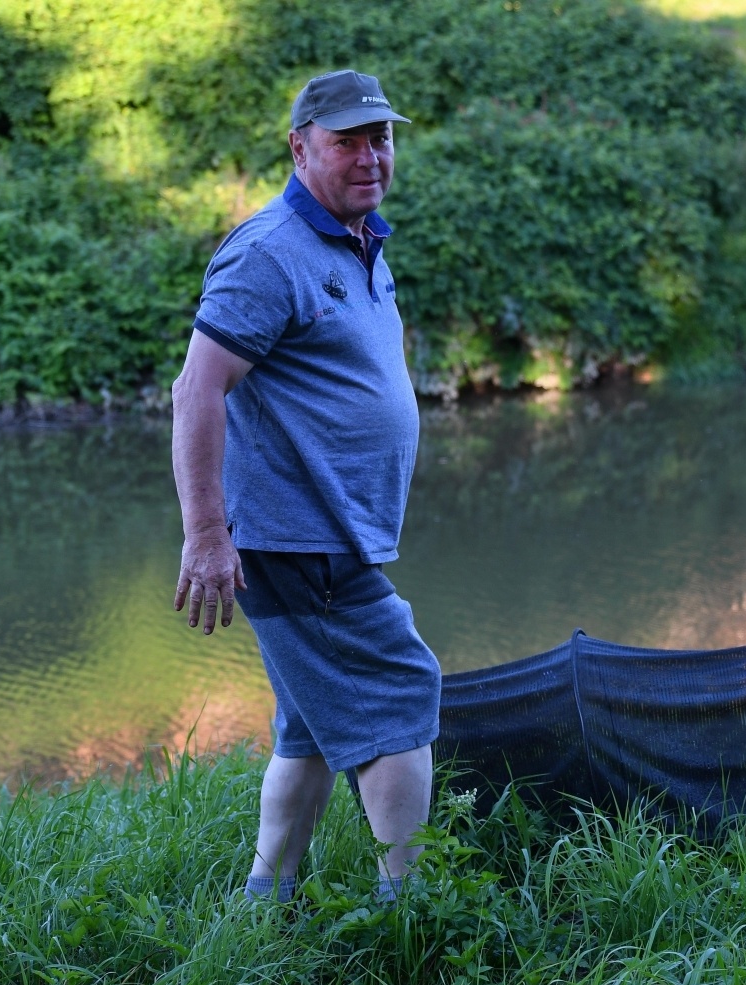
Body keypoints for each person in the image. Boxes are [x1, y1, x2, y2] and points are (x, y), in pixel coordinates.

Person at [169, 70, 439, 905]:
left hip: (333, 532)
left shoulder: (359, 242)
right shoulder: (270, 252)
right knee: (402, 688)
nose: (369, 157)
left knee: (311, 730)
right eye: (345, 141)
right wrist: (206, 533)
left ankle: (266, 901)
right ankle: (406, 906)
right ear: (299, 147)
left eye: (379, 138)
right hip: (297, 539)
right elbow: (197, 389)